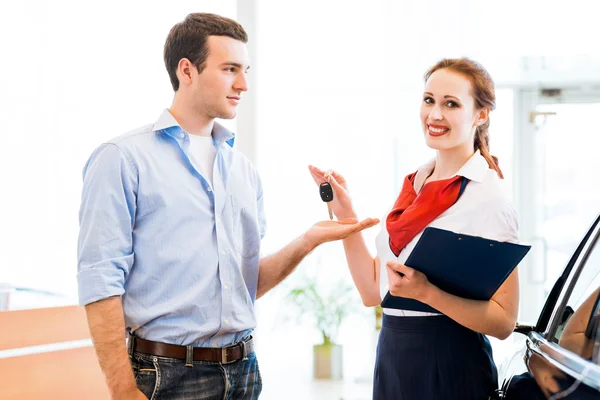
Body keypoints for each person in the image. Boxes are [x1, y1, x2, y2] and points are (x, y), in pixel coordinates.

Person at [77, 12, 378, 400]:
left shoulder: (244, 172)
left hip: (244, 372)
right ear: (187, 70)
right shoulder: (122, 159)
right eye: (230, 69)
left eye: (246, 69)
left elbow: (243, 286)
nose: (244, 84)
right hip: (165, 376)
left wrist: (308, 241)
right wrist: (121, 388)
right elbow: (100, 281)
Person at [309, 58, 520, 399]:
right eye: (429, 100)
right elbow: (372, 292)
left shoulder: (488, 197)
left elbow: (503, 322)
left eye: (451, 104)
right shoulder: (416, 183)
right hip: (393, 355)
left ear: (480, 116)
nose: (435, 114)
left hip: (449, 361)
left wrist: (426, 293)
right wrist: (346, 214)